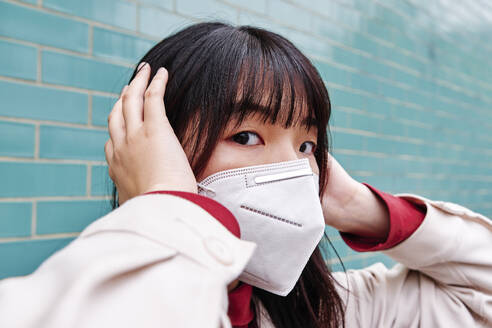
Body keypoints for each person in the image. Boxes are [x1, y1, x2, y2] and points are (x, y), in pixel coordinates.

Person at [0, 22, 491, 328]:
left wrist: (360, 207)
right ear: (153, 147)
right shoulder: (71, 297)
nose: (291, 170)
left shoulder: (334, 311)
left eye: (306, 146)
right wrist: (168, 205)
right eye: (246, 136)